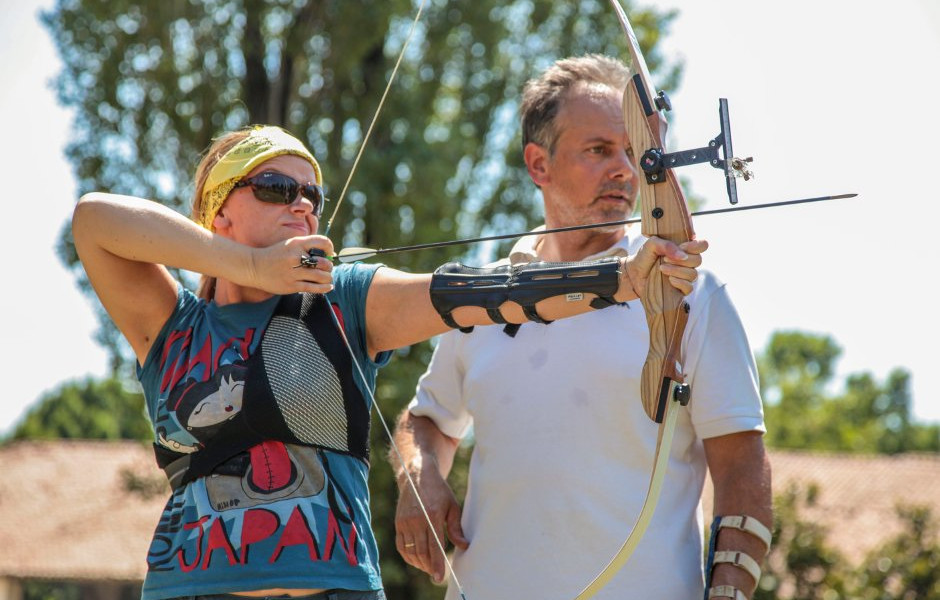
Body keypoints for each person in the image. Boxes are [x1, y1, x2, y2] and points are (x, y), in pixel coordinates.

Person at [71, 124, 706, 600]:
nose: (302, 204)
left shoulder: (344, 301)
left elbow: (486, 294)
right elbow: (93, 220)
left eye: (311, 194)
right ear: (220, 215)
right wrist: (251, 267)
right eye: (275, 188)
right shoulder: (173, 326)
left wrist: (623, 277)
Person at [391, 55, 772, 600]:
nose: (624, 169)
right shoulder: (486, 296)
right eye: (598, 150)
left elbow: (742, 469)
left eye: (635, 152)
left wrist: (730, 590)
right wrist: (418, 474)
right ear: (538, 165)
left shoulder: (690, 292)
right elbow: (427, 422)